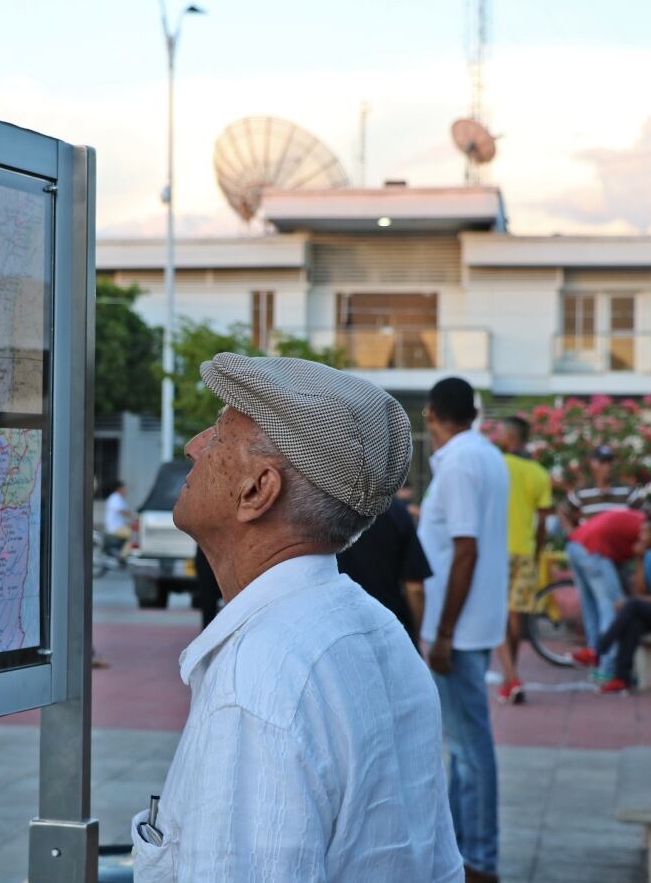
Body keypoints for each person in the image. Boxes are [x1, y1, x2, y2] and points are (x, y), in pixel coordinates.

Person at [131, 353, 461, 882]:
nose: (194, 446)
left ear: (258, 491)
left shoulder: (260, 673)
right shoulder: (375, 626)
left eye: (216, 436)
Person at [417, 376, 508, 882]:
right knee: (464, 747)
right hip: (474, 621)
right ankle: (462, 853)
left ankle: (478, 860)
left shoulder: (459, 464)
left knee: (470, 750)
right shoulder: (486, 455)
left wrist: (445, 632)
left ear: (430, 414)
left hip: (462, 628)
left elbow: (465, 549)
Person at [572, 513, 651, 693]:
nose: (640, 537)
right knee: (633, 621)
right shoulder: (649, 557)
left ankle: (598, 650)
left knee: (632, 605)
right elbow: (642, 591)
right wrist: (640, 560)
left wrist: (632, 602)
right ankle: (621, 678)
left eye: (645, 532)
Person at [494, 416, 552, 705]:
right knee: (517, 614)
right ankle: (510, 676)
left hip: (496, 550)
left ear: (508, 436)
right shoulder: (540, 473)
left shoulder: (497, 465)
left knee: (496, 615)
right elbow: (543, 521)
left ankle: (511, 676)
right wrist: (538, 551)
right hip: (526, 551)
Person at [337, 495, 431, 646]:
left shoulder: (326, 511)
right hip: (393, 631)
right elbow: (415, 588)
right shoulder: (398, 512)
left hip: (341, 632)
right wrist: (416, 634)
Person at [564, 508, 644, 682]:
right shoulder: (646, 530)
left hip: (575, 545)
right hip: (594, 550)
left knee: (591, 609)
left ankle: (596, 660)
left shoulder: (636, 521)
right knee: (613, 607)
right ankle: (609, 666)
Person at [559, 444, 644, 529]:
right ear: (593, 464)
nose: (607, 466)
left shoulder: (626, 490)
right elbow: (562, 510)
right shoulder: (583, 491)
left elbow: (646, 511)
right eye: (603, 462)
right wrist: (573, 534)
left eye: (610, 462)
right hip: (591, 540)